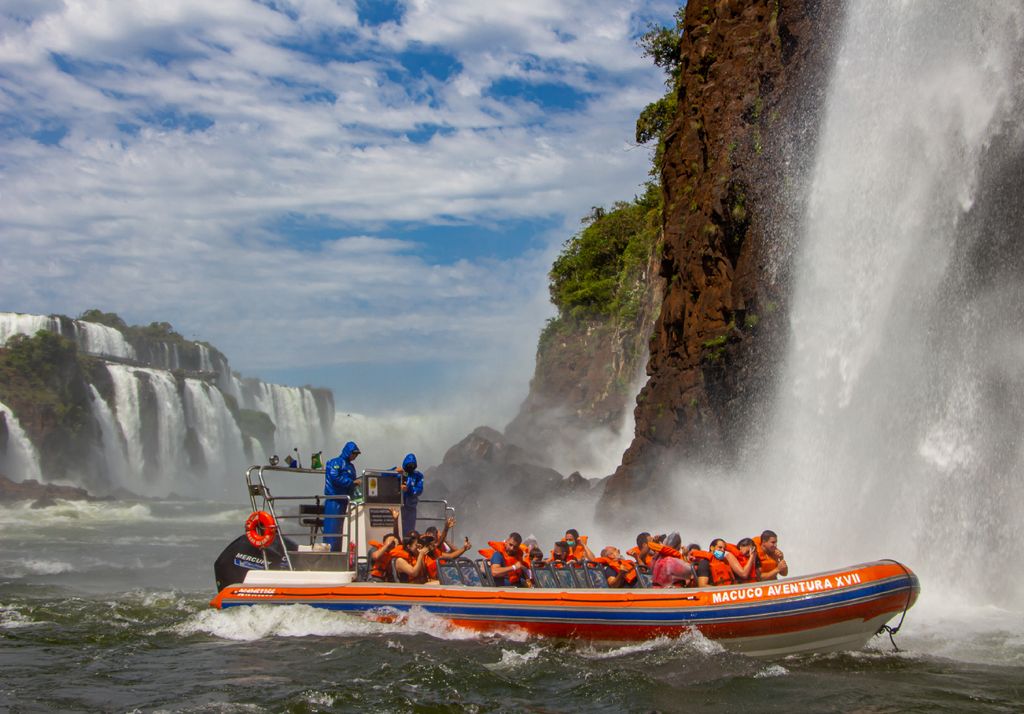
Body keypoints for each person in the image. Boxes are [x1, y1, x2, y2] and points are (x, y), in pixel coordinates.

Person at [323, 441, 361, 551]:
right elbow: (335, 477)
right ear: (347, 452)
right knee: (332, 529)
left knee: (342, 529)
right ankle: (330, 554)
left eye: (356, 454)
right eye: (353, 453)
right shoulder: (335, 462)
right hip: (334, 500)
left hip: (346, 500)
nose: (355, 456)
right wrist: (352, 482)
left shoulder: (351, 466)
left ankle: (340, 551)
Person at [399, 453, 424, 536]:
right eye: (409, 465)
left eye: (413, 465)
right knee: (398, 526)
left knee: (409, 529)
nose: (411, 467)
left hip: (411, 506)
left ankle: (408, 543)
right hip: (398, 505)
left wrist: (408, 489)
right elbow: (384, 474)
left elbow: (419, 490)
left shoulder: (418, 476)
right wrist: (394, 471)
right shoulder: (399, 473)